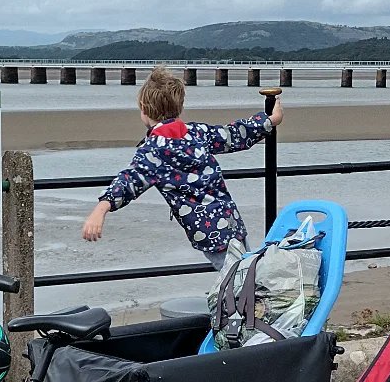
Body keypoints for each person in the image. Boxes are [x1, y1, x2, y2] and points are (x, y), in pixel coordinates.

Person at [81, 66, 284, 270]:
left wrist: (101, 208)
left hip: (208, 231)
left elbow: (129, 181)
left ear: (143, 108)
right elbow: (233, 135)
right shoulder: (196, 132)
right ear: (180, 106)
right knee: (245, 273)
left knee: (238, 281)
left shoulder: (154, 150)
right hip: (231, 220)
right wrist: (269, 120)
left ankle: (255, 300)